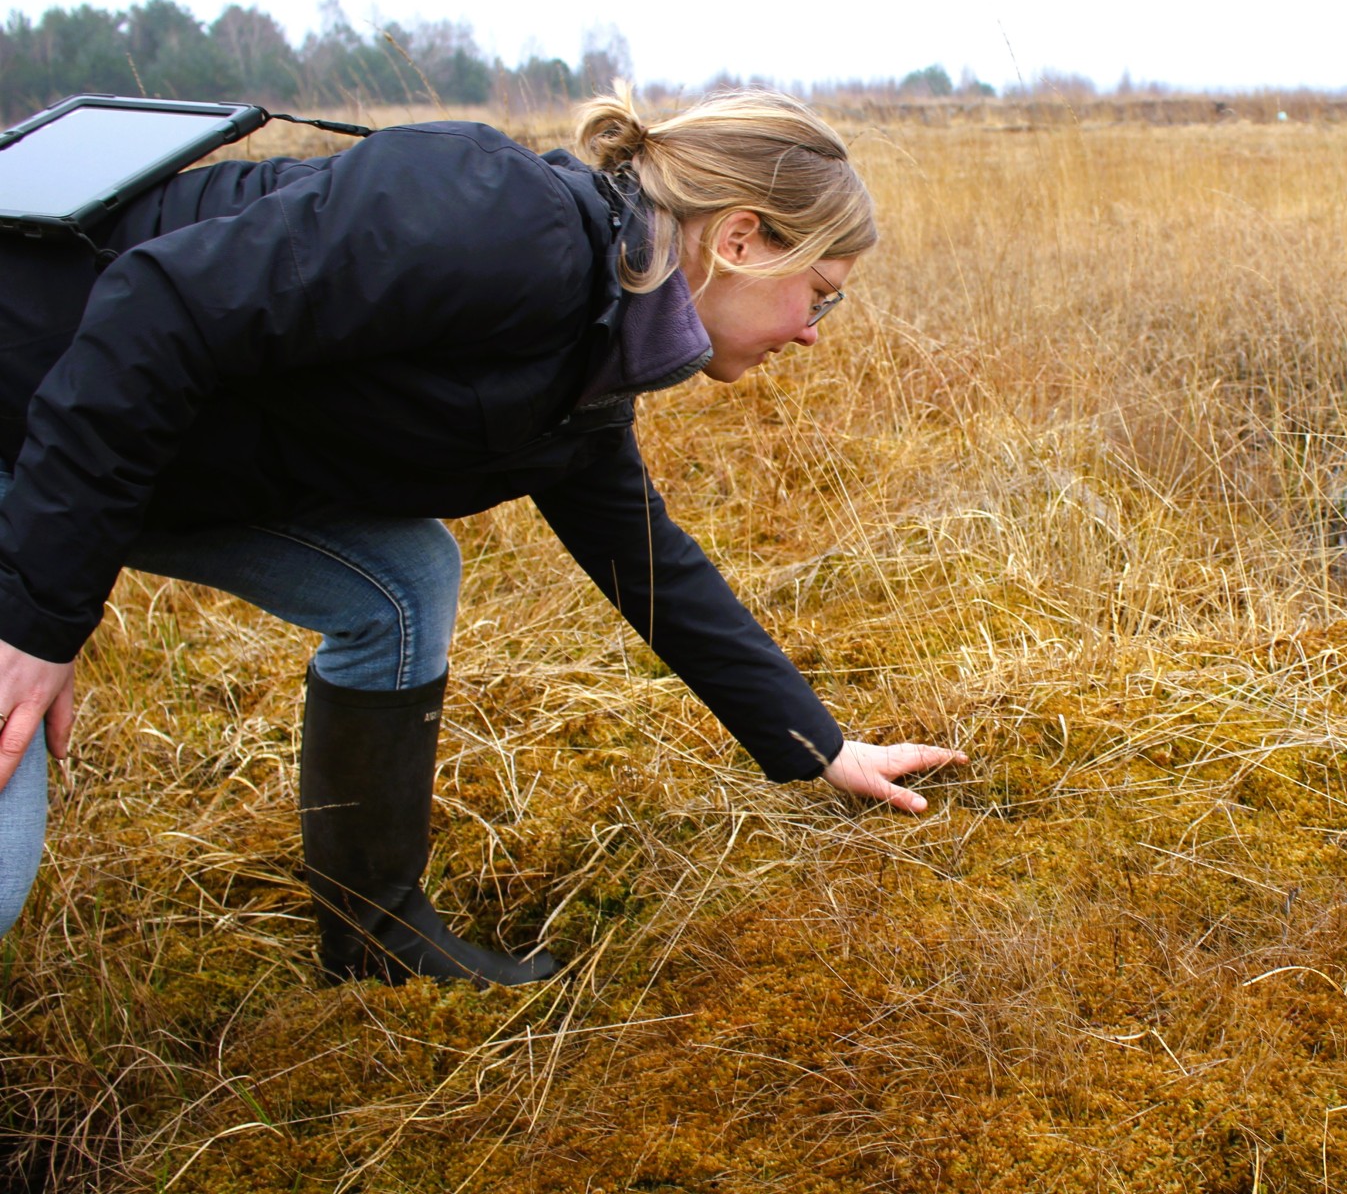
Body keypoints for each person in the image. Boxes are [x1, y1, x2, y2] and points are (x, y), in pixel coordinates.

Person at [0, 86, 965, 985]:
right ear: (745, 239)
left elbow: (643, 553)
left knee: (401, 578)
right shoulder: (496, 222)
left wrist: (820, 746)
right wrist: (39, 612)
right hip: (30, 391)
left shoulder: (597, 339)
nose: (812, 332)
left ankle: (375, 938)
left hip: (116, 452)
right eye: (822, 292)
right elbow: (154, 308)